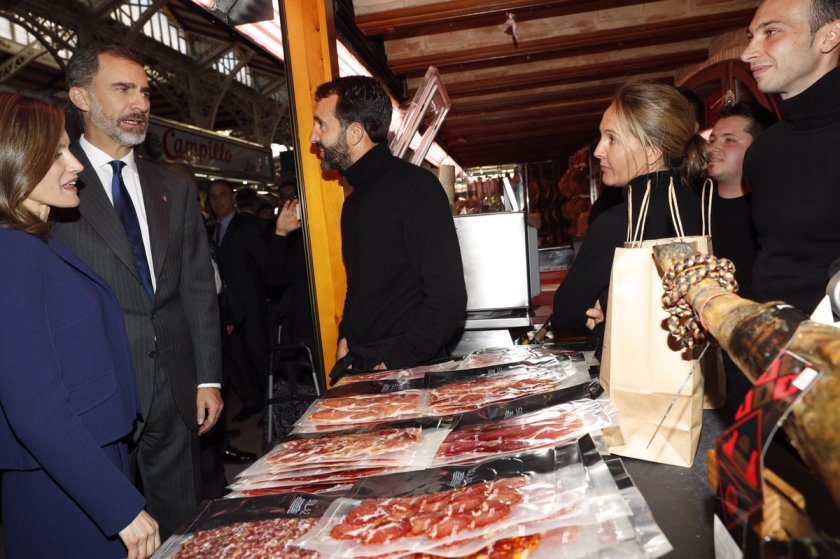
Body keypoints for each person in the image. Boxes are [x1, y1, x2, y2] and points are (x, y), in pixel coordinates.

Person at [53, 43, 223, 539]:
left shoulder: (173, 186)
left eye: (145, 92)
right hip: (94, 386)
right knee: (106, 528)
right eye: (123, 89)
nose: (140, 104)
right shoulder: (55, 182)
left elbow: (197, 288)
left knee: (180, 523)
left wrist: (208, 378)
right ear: (81, 98)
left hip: (174, 383)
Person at [0, 92, 160, 559]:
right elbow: (34, 406)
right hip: (61, 481)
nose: (75, 165)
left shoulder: (35, 242)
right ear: (14, 162)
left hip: (83, 464)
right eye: (56, 154)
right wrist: (117, 505)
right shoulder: (12, 253)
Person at [309, 75, 467, 377]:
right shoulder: (354, 202)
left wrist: (392, 364)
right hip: (367, 365)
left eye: (321, 125)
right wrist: (346, 338)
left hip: (407, 373)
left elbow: (448, 299)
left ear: (355, 133)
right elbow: (363, 287)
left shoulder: (417, 189)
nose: (313, 137)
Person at [552, 81, 705, 339]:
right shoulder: (704, 206)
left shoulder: (618, 222)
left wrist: (605, 309)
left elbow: (565, 312)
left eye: (612, 139)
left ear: (652, 153)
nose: (598, 151)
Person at [740, 0, 840, 314]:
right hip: (768, 336)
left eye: (771, 32)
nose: (747, 53)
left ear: (830, 36)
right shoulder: (762, 151)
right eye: (751, 37)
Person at [208, 179, 269, 422]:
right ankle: (252, 400)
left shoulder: (247, 225)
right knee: (237, 358)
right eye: (212, 196)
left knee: (259, 355)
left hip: (251, 303)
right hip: (227, 308)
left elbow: (264, 262)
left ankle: (269, 406)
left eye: (222, 194)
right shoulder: (210, 230)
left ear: (232, 197)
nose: (217, 200)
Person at [706, 101, 776, 298]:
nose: (713, 148)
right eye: (712, 140)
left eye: (729, 140)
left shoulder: (773, 208)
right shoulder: (695, 207)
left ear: (758, 148)